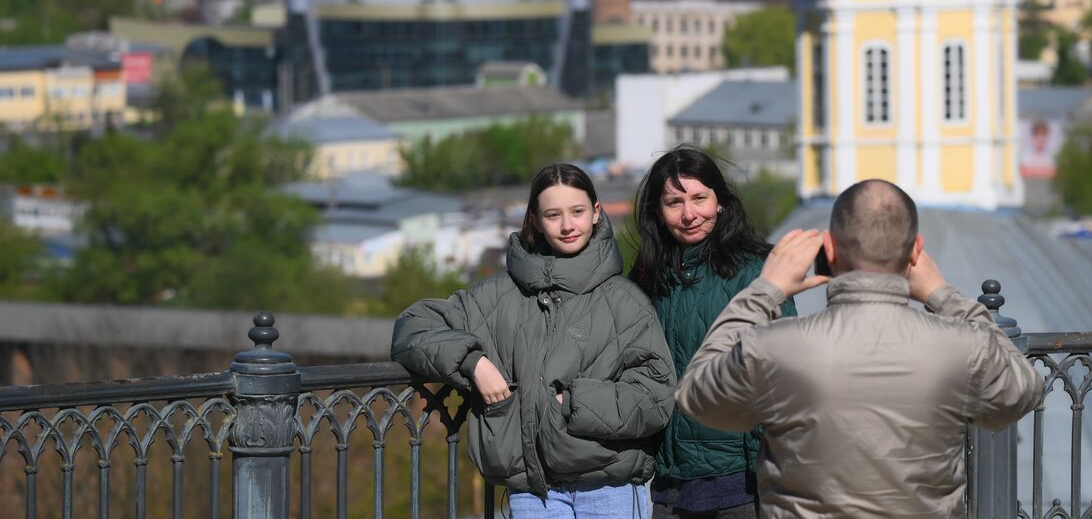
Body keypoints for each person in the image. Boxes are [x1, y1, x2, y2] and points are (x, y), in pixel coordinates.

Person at [676, 179, 1044, 518]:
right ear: (916, 252)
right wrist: (942, 294)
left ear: (830, 249)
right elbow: (1022, 389)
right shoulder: (961, 347)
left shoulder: (776, 348)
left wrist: (765, 290)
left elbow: (695, 394)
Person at [391, 164, 674, 518]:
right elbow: (412, 327)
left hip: (609, 487)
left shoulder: (625, 301)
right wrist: (472, 363)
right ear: (536, 220)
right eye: (553, 215)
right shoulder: (497, 296)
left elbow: (655, 398)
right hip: (532, 491)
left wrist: (572, 402)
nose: (568, 225)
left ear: (596, 213)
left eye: (578, 212)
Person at [628, 146, 796, 518]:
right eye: (674, 202)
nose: (689, 214)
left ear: (720, 201)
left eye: (699, 198)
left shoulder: (756, 271)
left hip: (743, 483)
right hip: (670, 484)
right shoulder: (646, 277)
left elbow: (787, 370)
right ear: (657, 211)